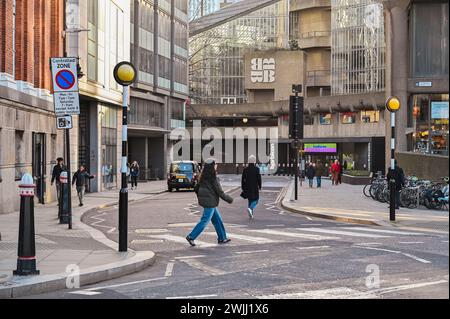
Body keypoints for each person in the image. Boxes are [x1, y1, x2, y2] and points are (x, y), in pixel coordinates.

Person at [186, 159, 233, 246]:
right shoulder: (213, 178)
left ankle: (222, 238)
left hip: (209, 202)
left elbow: (196, 188)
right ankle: (191, 236)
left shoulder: (202, 177)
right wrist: (230, 199)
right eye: (215, 164)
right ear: (212, 166)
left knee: (218, 220)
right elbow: (220, 192)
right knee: (204, 220)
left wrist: (201, 197)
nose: (216, 166)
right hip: (210, 203)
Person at [241, 155, 262, 219]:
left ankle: (251, 214)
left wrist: (243, 187)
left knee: (250, 200)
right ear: (254, 161)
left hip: (247, 187)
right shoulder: (257, 169)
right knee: (256, 200)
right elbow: (259, 178)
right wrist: (260, 186)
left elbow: (243, 179)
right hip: (254, 187)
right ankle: (250, 208)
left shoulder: (245, 169)